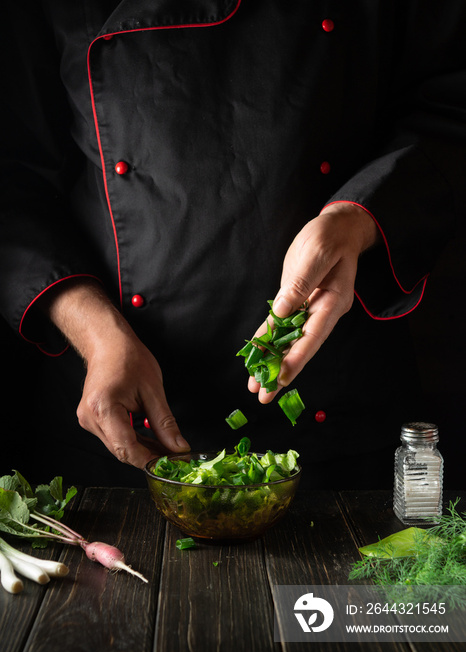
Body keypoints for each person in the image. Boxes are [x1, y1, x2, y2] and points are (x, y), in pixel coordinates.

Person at [1, 1, 465, 488]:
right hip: (118, 420)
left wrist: (356, 219)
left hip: (339, 404)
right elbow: (12, 179)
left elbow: (451, 103)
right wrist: (96, 334)